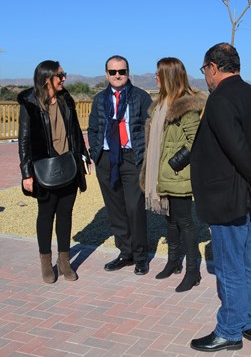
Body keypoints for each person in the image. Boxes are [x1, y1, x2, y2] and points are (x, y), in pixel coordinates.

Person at [189, 43, 251, 352]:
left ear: (213, 67)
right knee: (250, 262)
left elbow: (237, 151)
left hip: (229, 199)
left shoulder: (220, 100)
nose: (205, 76)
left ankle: (230, 331)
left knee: (231, 266)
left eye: (204, 70)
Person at [18, 60, 89, 284]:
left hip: (69, 164)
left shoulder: (66, 99)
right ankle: (46, 262)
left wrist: (84, 155)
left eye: (64, 74)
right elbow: (24, 141)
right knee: (46, 215)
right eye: (61, 75)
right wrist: (26, 173)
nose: (64, 78)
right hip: (43, 168)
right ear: (47, 77)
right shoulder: (30, 103)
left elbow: (76, 130)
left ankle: (65, 261)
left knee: (66, 214)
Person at [139, 57, 207, 292]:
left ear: (169, 76)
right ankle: (173, 262)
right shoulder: (159, 105)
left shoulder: (184, 106)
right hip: (161, 173)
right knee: (169, 220)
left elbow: (196, 140)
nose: (155, 77)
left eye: (158, 74)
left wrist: (174, 163)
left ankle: (193, 272)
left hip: (177, 174)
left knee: (185, 222)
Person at [87, 55, 152, 275]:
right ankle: (126, 252)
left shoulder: (141, 97)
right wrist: (96, 154)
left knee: (135, 208)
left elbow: (149, 128)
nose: (117, 76)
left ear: (128, 73)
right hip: (107, 159)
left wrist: (144, 155)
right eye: (113, 72)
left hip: (132, 158)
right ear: (106, 74)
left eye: (121, 72)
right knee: (115, 209)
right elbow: (94, 128)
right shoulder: (99, 99)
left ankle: (141, 255)